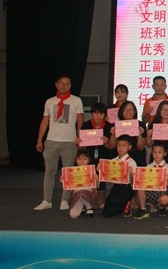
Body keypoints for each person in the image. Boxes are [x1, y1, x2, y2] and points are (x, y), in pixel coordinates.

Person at [35, 74, 84, 211]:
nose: (64, 86)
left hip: (70, 141)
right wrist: (40, 139)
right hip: (51, 140)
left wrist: (80, 137)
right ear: (56, 85)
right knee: (49, 171)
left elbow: (80, 119)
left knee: (68, 172)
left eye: (67, 83)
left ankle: (65, 200)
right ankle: (47, 200)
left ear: (70, 86)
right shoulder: (50, 101)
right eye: (61, 83)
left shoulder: (76, 101)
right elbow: (45, 121)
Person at [78, 102, 116, 208]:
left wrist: (107, 141)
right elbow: (81, 147)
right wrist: (78, 143)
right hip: (89, 155)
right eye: (95, 113)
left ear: (105, 115)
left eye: (101, 113)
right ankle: (87, 201)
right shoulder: (86, 125)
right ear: (91, 114)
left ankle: (101, 202)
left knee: (101, 180)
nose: (98, 116)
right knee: (88, 178)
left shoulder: (109, 126)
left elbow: (112, 146)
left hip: (104, 155)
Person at [134, 142, 168, 219]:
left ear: (165, 154)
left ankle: (161, 207)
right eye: (154, 152)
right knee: (140, 186)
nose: (157, 155)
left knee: (165, 199)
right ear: (152, 153)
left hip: (162, 192)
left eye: (159, 152)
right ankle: (143, 209)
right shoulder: (148, 167)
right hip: (151, 191)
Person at [101, 135, 137, 218]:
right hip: (116, 187)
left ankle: (127, 203)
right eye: (119, 145)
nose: (120, 148)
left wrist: (130, 173)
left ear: (129, 147)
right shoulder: (113, 161)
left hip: (127, 188)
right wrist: (101, 170)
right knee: (105, 213)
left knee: (118, 202)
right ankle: (124, 205)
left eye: (124, 146)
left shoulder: (132, 162)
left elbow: (134, 183)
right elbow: (106, 179)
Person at [62, 149, 98, 218]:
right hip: (77, 196)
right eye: (79, 159)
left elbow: (94, 190)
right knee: (73, 215)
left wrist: (96, 180)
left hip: (89, 195)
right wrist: (64, 181)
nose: (82, 161)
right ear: (76, 160)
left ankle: (89, 207)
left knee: (81, 193)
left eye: (84, 159)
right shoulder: (72, 172)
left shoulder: (92, 172)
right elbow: (71, 191)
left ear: (89, 160)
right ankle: (83, 206)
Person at [146, 100, 168, 169]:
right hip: (156, 155)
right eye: (164, 109)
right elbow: (149, 145)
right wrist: (148, 136)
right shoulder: (154, 124)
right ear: (159, 110)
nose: (166, 112)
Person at [112, 101, 147, 167]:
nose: (128, 112)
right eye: (125, 109)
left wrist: (139, 135)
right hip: (121, 155)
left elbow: (141, 147)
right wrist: (113, 135)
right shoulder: (117, 125)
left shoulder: (141, 125)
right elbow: (112, 146)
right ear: (121, 111)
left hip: (137, 156)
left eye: (131, 109)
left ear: (135, 111)